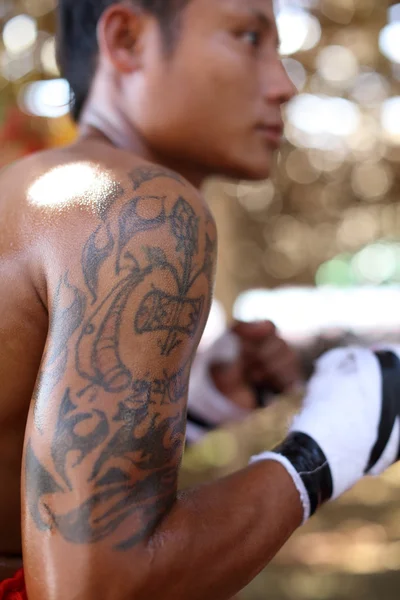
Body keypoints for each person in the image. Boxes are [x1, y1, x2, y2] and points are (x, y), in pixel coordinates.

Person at [1, 0, 400, 598]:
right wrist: (341, 437)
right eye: (247, 37)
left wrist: (198, 410)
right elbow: (98, 587)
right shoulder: (134, 204)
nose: (284, 84)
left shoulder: (35, 191)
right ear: (128, 39)